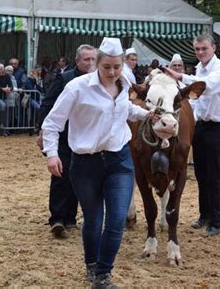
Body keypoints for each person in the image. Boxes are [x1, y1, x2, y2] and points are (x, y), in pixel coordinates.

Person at [42, 38, 154, 287]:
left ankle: (103, 274)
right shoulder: (77, 87)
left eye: (117, 67)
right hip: (85, 164)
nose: (112, 72)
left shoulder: (124, 85)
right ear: (97, 64)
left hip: (120, 160)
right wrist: (52, 153)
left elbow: (124, 109)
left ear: (122, 65)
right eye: (107, 67)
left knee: (116, 220)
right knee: (93, 219)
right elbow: (52, 123)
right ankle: (91, 265)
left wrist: (146, 114)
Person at [162, 34, 220, 237]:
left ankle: (216, 221)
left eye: (204, 48)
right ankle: (204, 215)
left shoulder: (219, 68)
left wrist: (180, 77)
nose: (200, 52)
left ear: (214, 48)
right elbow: (195, 101)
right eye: (197, 49)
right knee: (201, 172)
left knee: (214, 175)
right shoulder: (200, 68)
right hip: (201, 125)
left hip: (219, 126)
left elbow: (205, 87)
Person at [37, 44, 96, 238]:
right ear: (77, 61)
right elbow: (47, 104)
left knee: (78, 177)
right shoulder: (65, 78)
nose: (90, 63)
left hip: (85, 137)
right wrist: (43, 131)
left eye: (93, 59)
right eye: (86, 59)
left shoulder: (99, 81)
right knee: (60, 175)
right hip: (63, 135)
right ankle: (57, 219)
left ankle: (70, 218)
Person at [0, 63, 13, 136]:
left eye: (1, 69)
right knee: (2, 105)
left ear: (3, 69)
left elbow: (11, 86)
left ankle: (5, 129)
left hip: (4, 96)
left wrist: (9, 88)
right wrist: (2, 89)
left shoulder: (7, 76)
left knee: (8, 109)